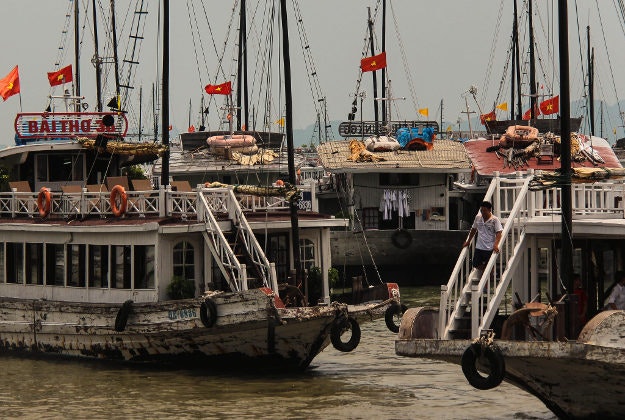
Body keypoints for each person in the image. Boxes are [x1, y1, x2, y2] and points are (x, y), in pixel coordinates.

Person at [463, 201, 503, 271]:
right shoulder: (478, 217)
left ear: (489, 210)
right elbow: (473, 229)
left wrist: (496, 245)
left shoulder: (495, 220)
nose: (483, 212)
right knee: (475, 264)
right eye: (481, 210)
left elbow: (499, 233)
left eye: (484, 211)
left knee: (489, 265)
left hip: (489, 248)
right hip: (479, 247)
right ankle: (487, 272)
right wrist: (468, 241)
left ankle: (488, 277)